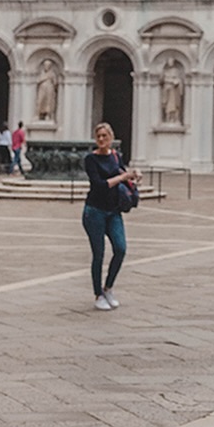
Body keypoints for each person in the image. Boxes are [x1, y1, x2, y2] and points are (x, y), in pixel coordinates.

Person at [82, 122, 141, 310]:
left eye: (104, 136)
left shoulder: (116, 156)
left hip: (113, 211)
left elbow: (121, 172)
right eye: (98, 136)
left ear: (111, 138)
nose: (101, 139)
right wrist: (122, 178)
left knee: (121, 248)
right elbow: (99, 185)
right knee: (98, 254)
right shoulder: (90, 160)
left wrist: (133, 174)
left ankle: (108, 287)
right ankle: (98, 294)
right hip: (94, 212)